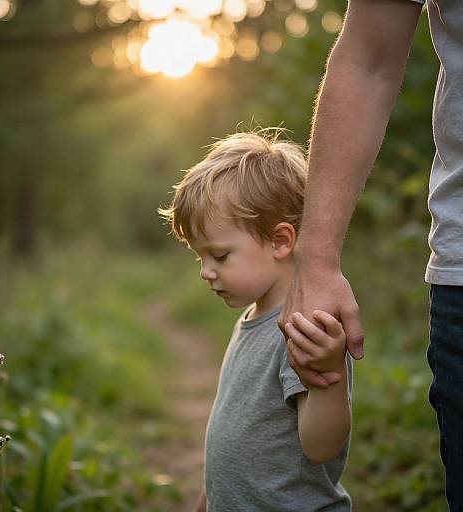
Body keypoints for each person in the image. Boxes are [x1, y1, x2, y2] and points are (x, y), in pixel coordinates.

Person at [278, 0, 463, 509]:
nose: (207, 273)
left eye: (220, 255)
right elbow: (368, 58)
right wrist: (317, 262)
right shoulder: (265, 331)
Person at [160, 131, 353, 511]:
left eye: (219, 255)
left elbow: (321, 447)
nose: (206, 272)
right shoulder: (252, 319)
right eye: (201, 258)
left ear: (281, 241)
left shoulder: (304, 329)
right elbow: (230, 447)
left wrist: (330, 375)